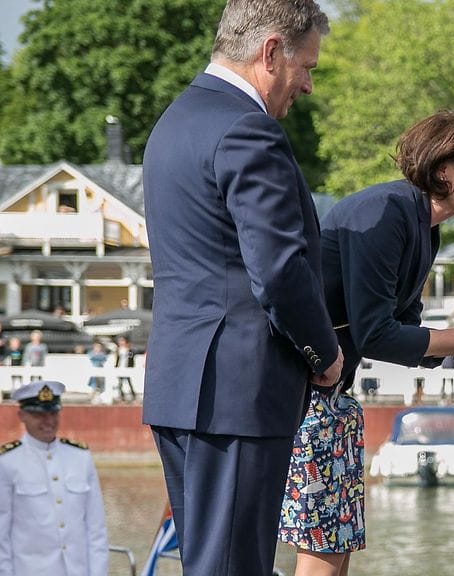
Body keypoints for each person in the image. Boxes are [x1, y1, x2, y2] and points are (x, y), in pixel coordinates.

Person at [279, 110, 454, 576]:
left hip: (331, 397)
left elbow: (409, 332)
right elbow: (376, 333)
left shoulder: (424, 225)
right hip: (296, 394)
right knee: (321, 546)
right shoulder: (384, 212)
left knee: (336, 543)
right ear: (443, 169)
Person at [142, 1, 343, 574]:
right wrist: (324, 353)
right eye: (307, 67)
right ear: (272, 52)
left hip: (182, 384)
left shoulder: (175, 120)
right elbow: (278, 271)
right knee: (234, 565)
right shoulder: (247, 129)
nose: (306, 85)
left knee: (210, 562)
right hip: (237, 391)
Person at [0, 380, 108, 576]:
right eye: (39, 415)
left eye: (52, 413)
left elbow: (96, 530)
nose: (48, 421)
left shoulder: (80, 457)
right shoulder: (7, 462)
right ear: (22, 415)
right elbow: (1, 537)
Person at [113, 335, 137, 403]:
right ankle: (122, 396)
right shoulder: (118, 350)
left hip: (127, 368)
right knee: (120, 383)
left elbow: (132, 357)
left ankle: (133, 395)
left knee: (129, 382)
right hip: (120, 368)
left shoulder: (129, 350)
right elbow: (117, 359)